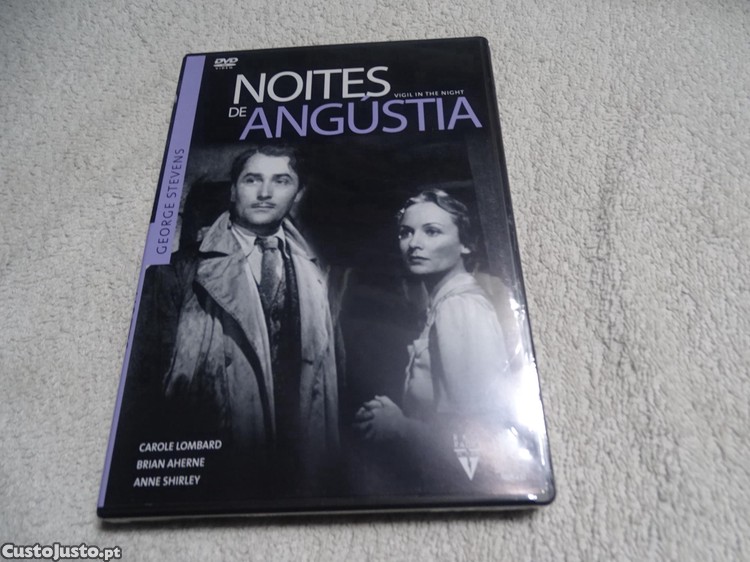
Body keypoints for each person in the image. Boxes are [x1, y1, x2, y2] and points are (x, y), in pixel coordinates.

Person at [149, 145, 339, 495]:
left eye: (281, 181)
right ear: (233, 190)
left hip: (295, 465)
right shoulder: (179, 271)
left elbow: (326, 381)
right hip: (219, 464)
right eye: (252, 180)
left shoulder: (316, 273)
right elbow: (148, 383)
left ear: (298, 194)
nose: (265, 192)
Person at [352, 189, 511, 487]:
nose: (414, 244)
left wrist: (399, 426)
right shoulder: (444, 304)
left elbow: (476, 436)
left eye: (432, 231)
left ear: (466, 244)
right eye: (406, 233)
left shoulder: (458, 307)